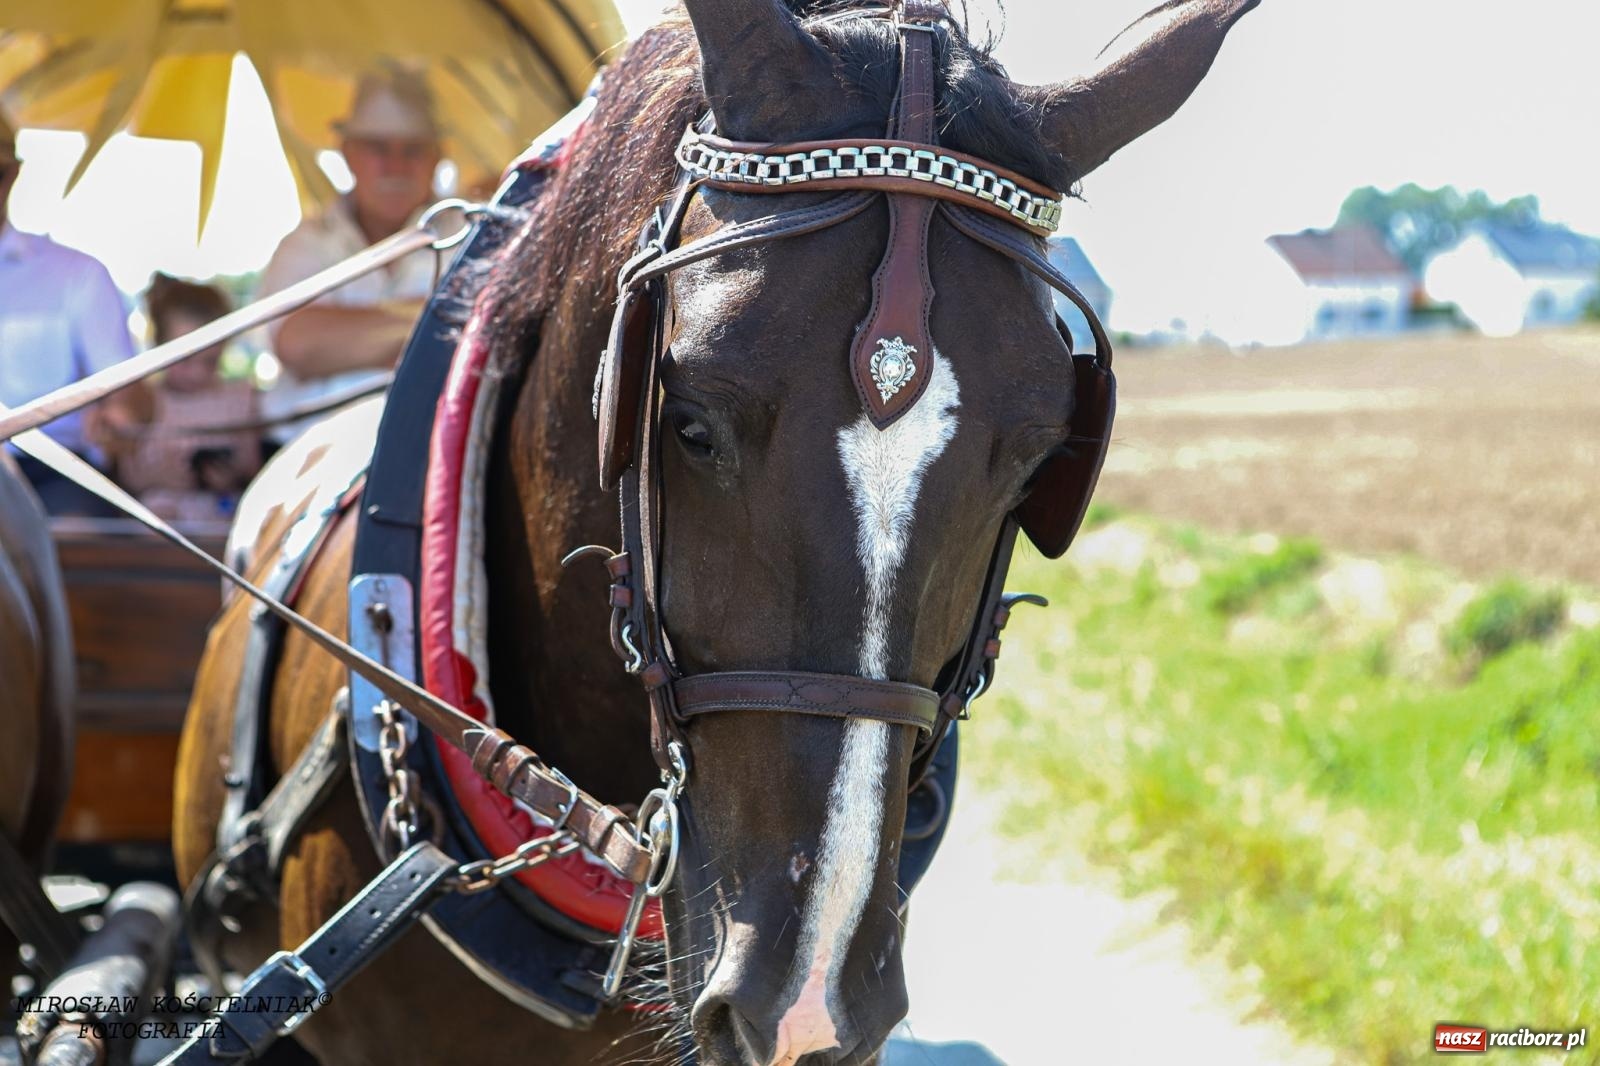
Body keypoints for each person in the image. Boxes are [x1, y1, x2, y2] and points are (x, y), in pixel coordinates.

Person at [257, 69, 443, 446]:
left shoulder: (478, 235)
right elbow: (299, 344)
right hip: (305, 468)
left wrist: (351, 336)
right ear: (348, 154)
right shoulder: (307, 243)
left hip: (432, 456)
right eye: (378, 147)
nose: (395, 165)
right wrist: (440, 322)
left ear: (437, 156)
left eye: (412, 149)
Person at [0, 105, 144, 516]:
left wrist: (120, 415)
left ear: (11, 177)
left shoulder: (77, 276)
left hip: (50, 474)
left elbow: (124, 391)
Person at [112, 275, 259, 523]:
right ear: (159, 346)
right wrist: (156, 478)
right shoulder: (145, 401)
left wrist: (228, 477)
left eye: (210, 361)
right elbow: (125, 475)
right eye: (185, 360)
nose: (197, 373)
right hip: (159, 519)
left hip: (218, 515)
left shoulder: (238, 400)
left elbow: (251, 468)